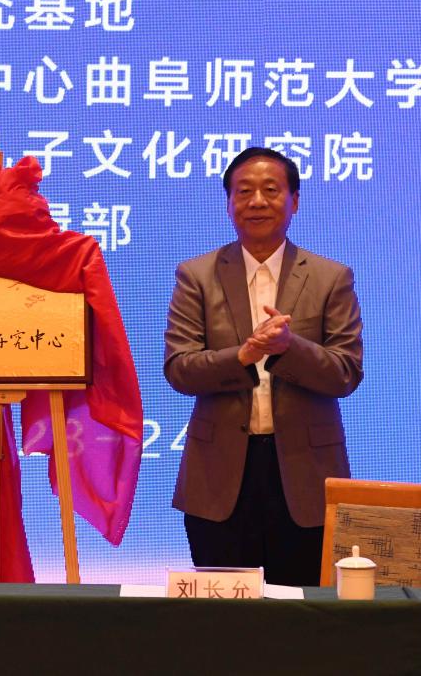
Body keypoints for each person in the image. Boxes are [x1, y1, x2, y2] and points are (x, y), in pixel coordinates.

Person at [163, 147, 363, 586]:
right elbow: (179, 368)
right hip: (218, 477)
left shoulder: (331, 277)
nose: (256, 201)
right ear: (229, 203)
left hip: (305, 475)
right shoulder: (197, 276)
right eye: (243, 191)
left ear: (295, 201)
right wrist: (243, 356)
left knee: (301, 609)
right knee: (224, 607)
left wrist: (289, 348)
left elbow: (346, 372)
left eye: (271, 190)